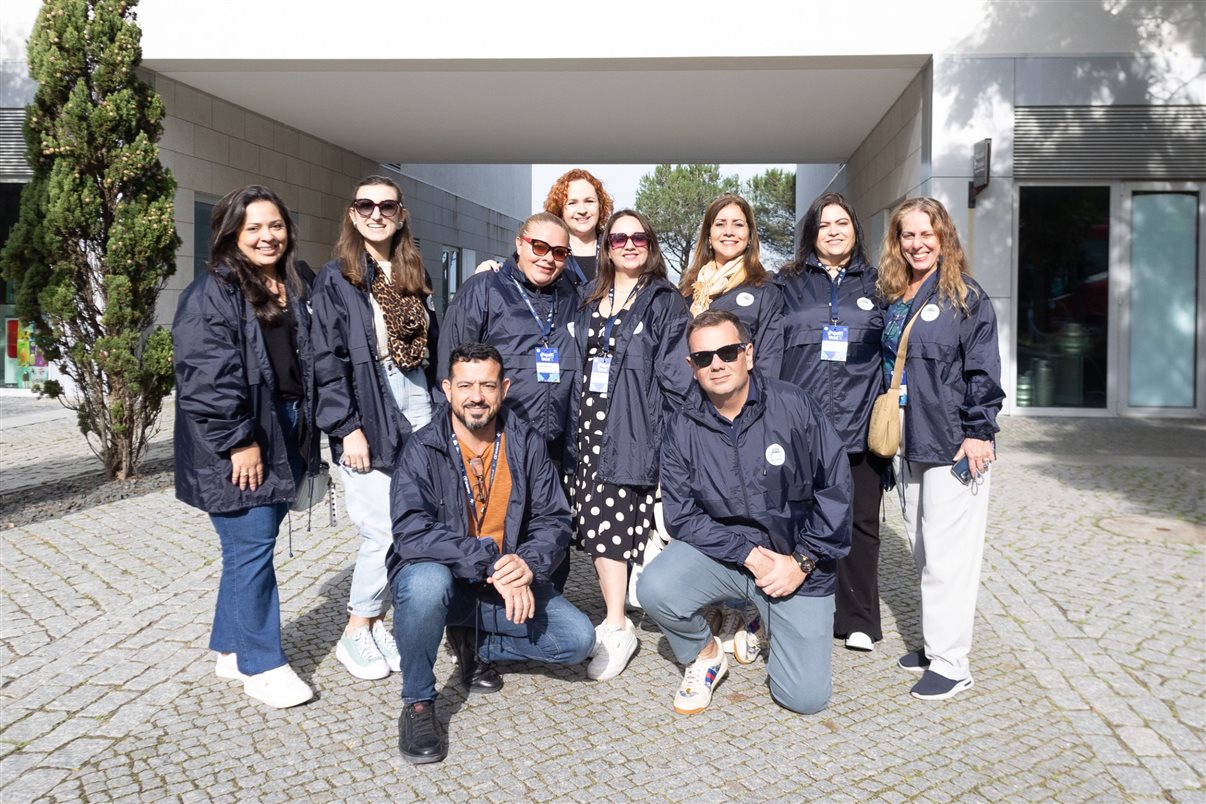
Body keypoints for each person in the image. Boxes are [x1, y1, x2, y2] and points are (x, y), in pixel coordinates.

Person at [388, 343, 595, 764]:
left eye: (487, 385)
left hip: (504, 580)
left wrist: (526, 564)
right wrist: (488, 562)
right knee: (425, 584)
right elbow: (411, 531)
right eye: (465, 385)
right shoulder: (421, 448)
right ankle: (418, 702)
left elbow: (554, 519)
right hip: (448, 579)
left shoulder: (526, 443)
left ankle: (476, 643)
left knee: (576, 640)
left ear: (504, 388)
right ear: (447, 389)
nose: (476, 396)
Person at [636, 310, 852, 715]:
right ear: (692, 367)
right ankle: (706, 656)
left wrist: (803, 560)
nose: (716, 364)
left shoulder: (793, 405)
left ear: (748, 354)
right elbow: (680, 516)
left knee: (804, 699)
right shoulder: (681, 425)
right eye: (703, 358)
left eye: (728, 352)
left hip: (795, 560)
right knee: (655, 587)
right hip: (729, 556)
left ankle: (759, 619)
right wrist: (747, 554)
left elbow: (836, 487)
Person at [173, 185, 321, 709]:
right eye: (253, 227)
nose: (267, 236)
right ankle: (263, 664)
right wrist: (239, 442)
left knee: (247, 551)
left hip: (288, 427)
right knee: (252, 548)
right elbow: (205, 379)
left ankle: (232, 649)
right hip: (246, 435)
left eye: (275, 225)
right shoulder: (213, 291)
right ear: (232, 232)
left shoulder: (294, 282)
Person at [877, 197, 1004, 700]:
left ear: (944, 236)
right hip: (909, 435)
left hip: (953, 439)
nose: (917, 243)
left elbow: (983, 370)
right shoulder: (898, 293)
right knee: (923, 544)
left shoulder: (967, 297)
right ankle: (934, 645)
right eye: (908, 235)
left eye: (927, 234)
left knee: (950, 555)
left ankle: (953, 664)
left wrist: (979, 430)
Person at [311, 175, 437, 681]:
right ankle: (354, 629)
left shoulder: (413, 271)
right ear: (352, 212)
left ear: (401, 214)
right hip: (369, 400)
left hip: (418, 397)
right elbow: (326, 359)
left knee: (412, 519)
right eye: (366, 205)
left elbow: (431, 340)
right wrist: (346, 429)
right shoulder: (337, 278)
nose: (377, 213)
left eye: (387, 205)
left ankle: (380, 620)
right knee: (380, 527)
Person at [570, 209, 694, 681]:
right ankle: (615, 616)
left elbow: (679, 378)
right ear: (605, 246)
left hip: (635, 429)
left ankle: (619, 626)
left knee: (614, 527)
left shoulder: (663, 301)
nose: (628, 244)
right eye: (618, 237)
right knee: (601, 528)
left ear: (650, 244)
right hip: (587, 432)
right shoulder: (588, 297)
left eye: (638, 236)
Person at [779, 192, 887, 653]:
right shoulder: (787, 284)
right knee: (797, 522)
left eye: (842, 223)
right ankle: (804, 609)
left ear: (855, 230)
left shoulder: (879, 284)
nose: (835, 231)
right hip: (801, 429)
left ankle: (859, 618)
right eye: (825, 225)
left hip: (861, 425)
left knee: (860, 524)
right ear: (811, 234)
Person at [679, 192, 786, 652]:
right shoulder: (690, 289)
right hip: (696, 418)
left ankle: (755, 612)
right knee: (707, 508)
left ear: (750, 233)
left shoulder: (764, 289)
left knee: (750, 507)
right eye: (720, 223)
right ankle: (716, 601)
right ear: (708, 233)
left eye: (738, 224)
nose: (729, 231)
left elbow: (773, 359)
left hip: (747, 420)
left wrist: (758, 412)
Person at [543, 168, 613, 284]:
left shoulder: (616, 248)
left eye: (589, 201)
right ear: (560, 210)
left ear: (600, 206)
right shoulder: (547, 253)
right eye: (572, 203)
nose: (582, 210)